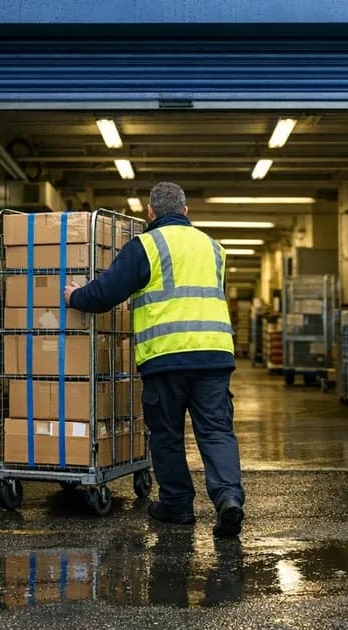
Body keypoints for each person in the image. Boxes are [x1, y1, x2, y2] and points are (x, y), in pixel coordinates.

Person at [64, 182, 245, 537]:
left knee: (166, 434)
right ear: (186, 211)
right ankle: (228, 499)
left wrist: (75, 297)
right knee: (216, 430)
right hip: (214, 355)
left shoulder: (146, 246)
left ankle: (177, 506)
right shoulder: (214, 247)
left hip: (166, 357)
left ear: (150, 212)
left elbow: (105, 293)